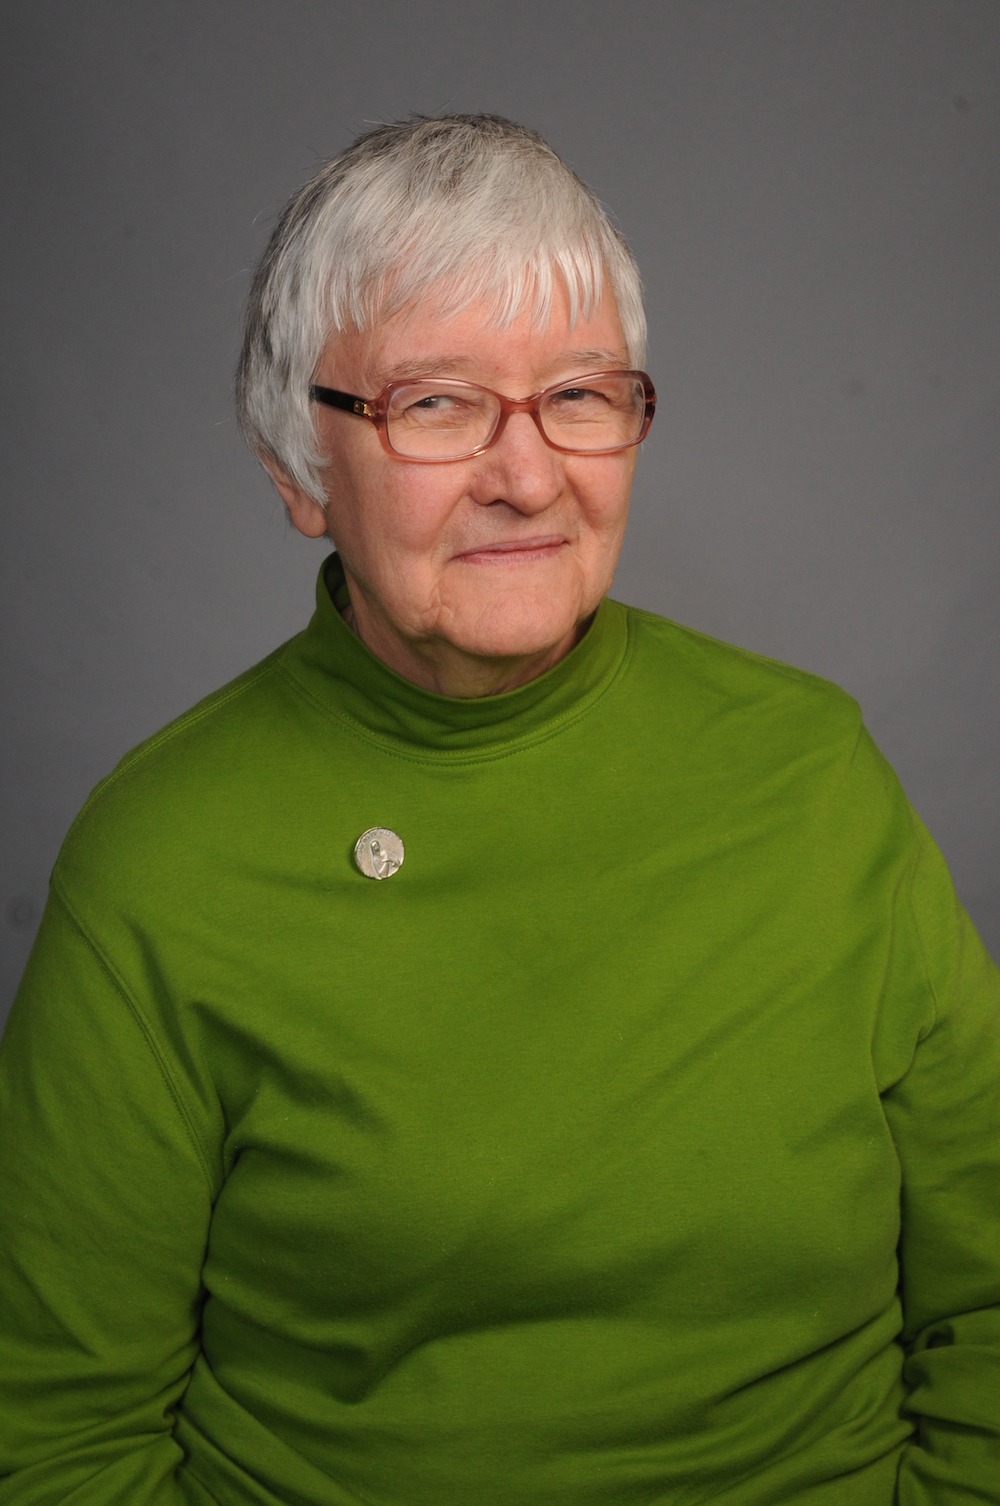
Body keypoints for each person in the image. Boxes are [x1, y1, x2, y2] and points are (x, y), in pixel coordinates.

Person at [0, 113, 997, 1506]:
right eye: (438, 403)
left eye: (579, 395)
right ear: (300, 466)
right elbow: (59, 1438)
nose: (528, 476)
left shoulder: (810, 770)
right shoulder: (163, 858)